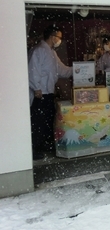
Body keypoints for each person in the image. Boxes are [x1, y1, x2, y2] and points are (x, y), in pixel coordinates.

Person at [28, 25, 72, 160]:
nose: (60, 40)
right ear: (53, 37)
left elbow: (61, 70)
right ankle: (36, 149)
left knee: (48, 120)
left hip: (48, 92)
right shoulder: (39, 50)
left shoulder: (52, 52)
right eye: (59, 37)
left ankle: (45, 144)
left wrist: (77, 70)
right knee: (38, 122)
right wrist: (36, 88)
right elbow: (32, 71)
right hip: (40, 93)